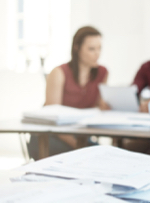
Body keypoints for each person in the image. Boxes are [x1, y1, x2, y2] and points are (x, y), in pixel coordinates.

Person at [29, 26, 108, 159]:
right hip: (50, 137)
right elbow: (52, 119)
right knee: (88, 157)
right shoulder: (59, 73)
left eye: (99, 48)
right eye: (91, 49)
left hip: (79, 138)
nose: (97, 54)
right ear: (77, 48)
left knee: (104, 155)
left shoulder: (102, 73)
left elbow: (99, 108)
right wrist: (78, 145)